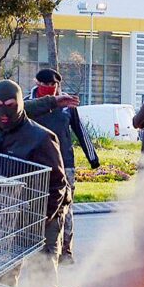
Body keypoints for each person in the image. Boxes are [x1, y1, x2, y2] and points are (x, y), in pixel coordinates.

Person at [0, 80, 70, 278]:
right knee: (3, 276)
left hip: (45, 213)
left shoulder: (42, 138)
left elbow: (58, 184)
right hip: (5, 216)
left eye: (11, 105)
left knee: (42, 278)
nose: (4, 112)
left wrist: (43, 219)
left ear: (20, 104)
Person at [26, 68, 98, 265]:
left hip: (64, 163)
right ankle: (36, 249)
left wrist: (93, 158)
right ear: (37, 83)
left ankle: (65, 251)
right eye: (45, 86)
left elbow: (80, 130)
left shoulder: (66, 105)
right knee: (36, 207)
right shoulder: (28, 104)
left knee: (65, 207)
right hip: (35, 165)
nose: (50, 90)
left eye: (54, 86)